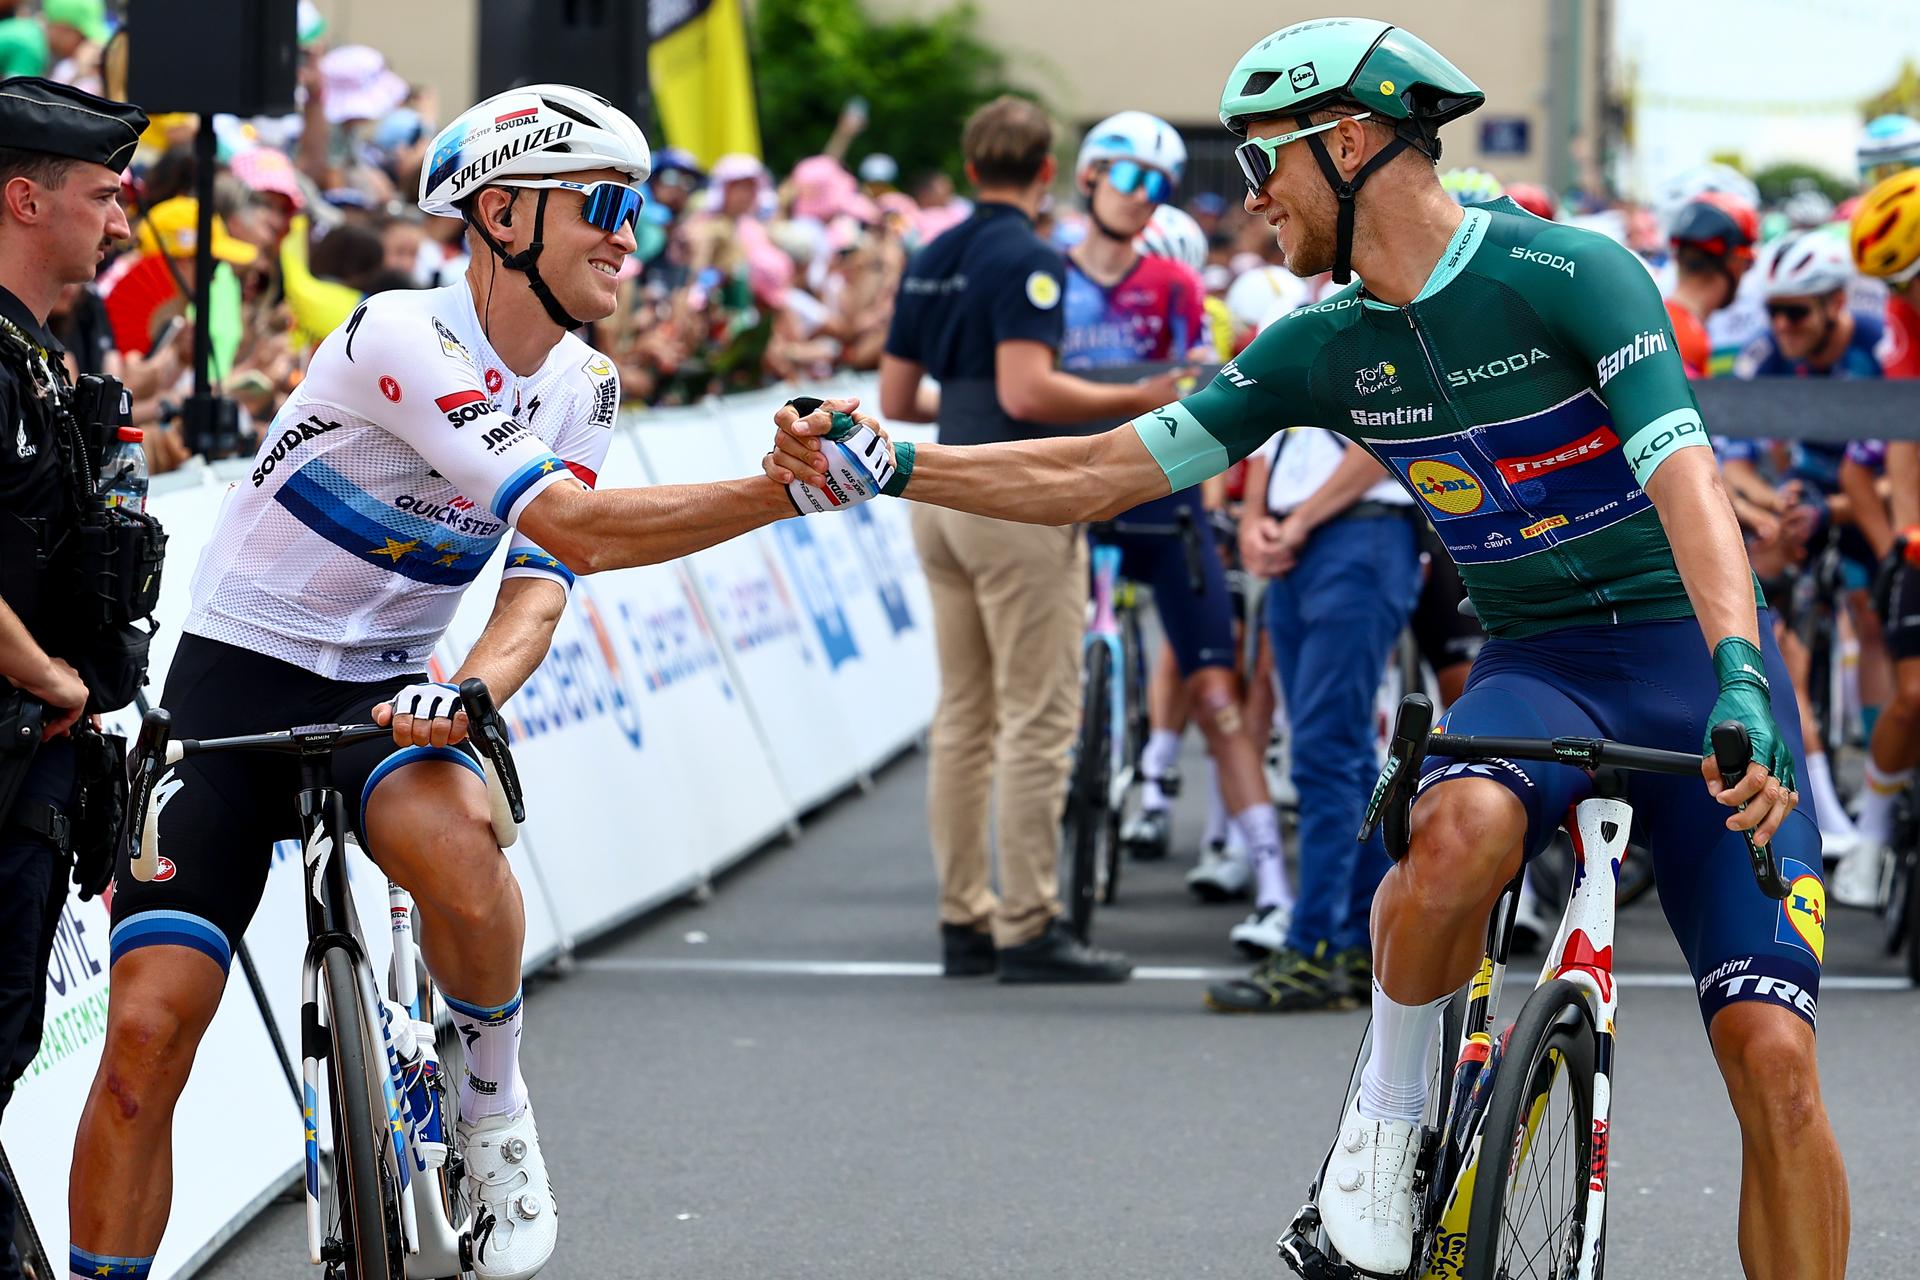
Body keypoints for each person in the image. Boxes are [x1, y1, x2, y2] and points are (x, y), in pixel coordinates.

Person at [766, 18, 1845, 1277]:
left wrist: (1740, 673)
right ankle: (1386, 1121)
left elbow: (1688, 483)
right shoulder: (1320, 345)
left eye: (1260, 160)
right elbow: (1098, 470)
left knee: (1774, 1063)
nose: (1247, 197)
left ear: (1348, 142)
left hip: (1687, 656)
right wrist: (897, 461)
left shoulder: (1574, 274)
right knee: (1455, 836)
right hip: (1539, 655)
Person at [66, 83, 825, 1280]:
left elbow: (540, 579)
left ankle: (491, 1113)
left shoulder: (588, 383)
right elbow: (579, 522)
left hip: (384, 684)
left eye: (641, 206)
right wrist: (777, 489)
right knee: (144, 1044)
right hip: (235, 679)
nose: (632, 233)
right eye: (607, 204)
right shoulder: (397, 336)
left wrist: (471, 690)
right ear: (507, 213)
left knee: (465, 853)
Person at [879, 94, 1181, 983]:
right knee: (1038, 717)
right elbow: (1029, 393)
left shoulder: (932, 253)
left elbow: (899, 398)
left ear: (972, 169)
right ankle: (1029, 924)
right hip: (1011, 496)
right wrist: (1137, 398)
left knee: (965, 716)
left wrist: (974, 408)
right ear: (1049, 174)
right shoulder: (1031, 259)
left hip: (935, 487)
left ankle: (963, 917)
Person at [1058, 110, 1291, 952]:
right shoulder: (1049, 276)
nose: (1141, 197)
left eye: (1155, 185)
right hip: (1074, 498)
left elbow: (1192, 394)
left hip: (1164, 501)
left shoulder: (1179, 289)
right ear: (1087, 180)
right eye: (1127, 178)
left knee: (1217, 695)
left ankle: (1270, 884)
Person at [0, 75, 148, 1280]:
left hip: (33, 772)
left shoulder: (40, 360)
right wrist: (50, 673)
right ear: (21, 198)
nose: (121, 219)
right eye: (102, 195)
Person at [1205, 418, 1419, 1012]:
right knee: (1338, 755)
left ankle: (1314, 948)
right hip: (1307, 547)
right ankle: (1354, 944)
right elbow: (1272, 441)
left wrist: (1292, 522)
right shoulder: (1295, 324)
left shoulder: (1376, 333)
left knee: (1326, 755)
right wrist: (1254, 524)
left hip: (1357, 537)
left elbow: (1379, 448)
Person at [1834, 170, 1920, 908]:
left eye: (1910, 280)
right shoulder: (1904, 316)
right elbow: (1899, 432)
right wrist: (1904, 538)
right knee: (1913, 694)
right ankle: (1872, 832)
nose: (1901, 299)